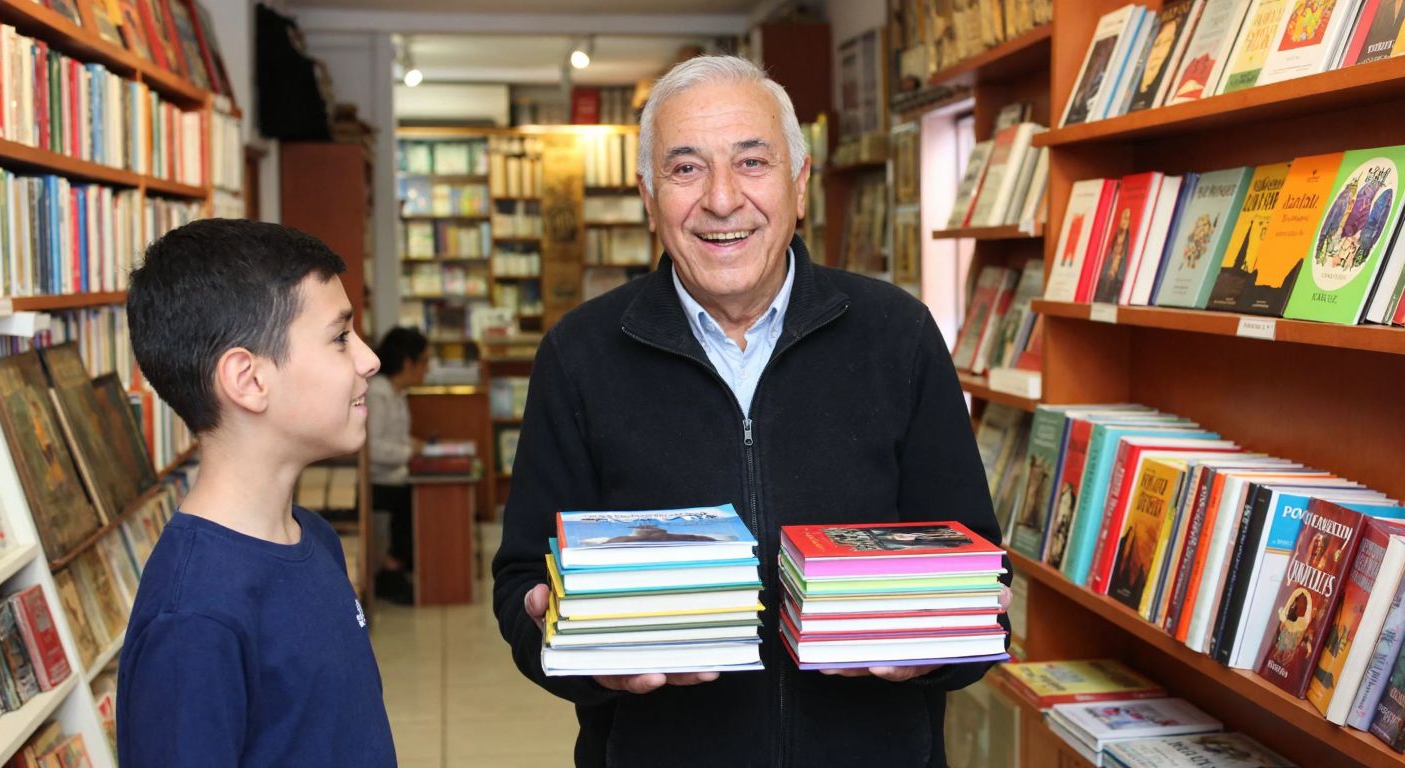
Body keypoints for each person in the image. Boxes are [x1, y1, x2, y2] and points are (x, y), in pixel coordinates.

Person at [492, 55, 1007, 767]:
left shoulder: (900, 336)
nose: (723, 199)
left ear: (799, 184)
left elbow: (977, 573)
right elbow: (521, 585)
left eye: (752, 162)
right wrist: (577, 655)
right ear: (649, 195)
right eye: (686, 169)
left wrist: (938, 651)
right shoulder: (578, 356)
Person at [119, 219, 396, 766]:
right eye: (340, 338)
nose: (369, 359)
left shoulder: (314, 537)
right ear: (248, 380)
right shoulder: (193, 619)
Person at [368, 326, 430, 604]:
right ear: (408, 362)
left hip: (395, 473)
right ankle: (392, 567)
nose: (427, 369)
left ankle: (407, 566)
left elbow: (395, 437)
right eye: (424, 361)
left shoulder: (396, 393)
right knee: (411, 499)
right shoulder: (378, 394)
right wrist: (409, 451)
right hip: (379, 480)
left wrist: (413, 446)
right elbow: (372, 449)